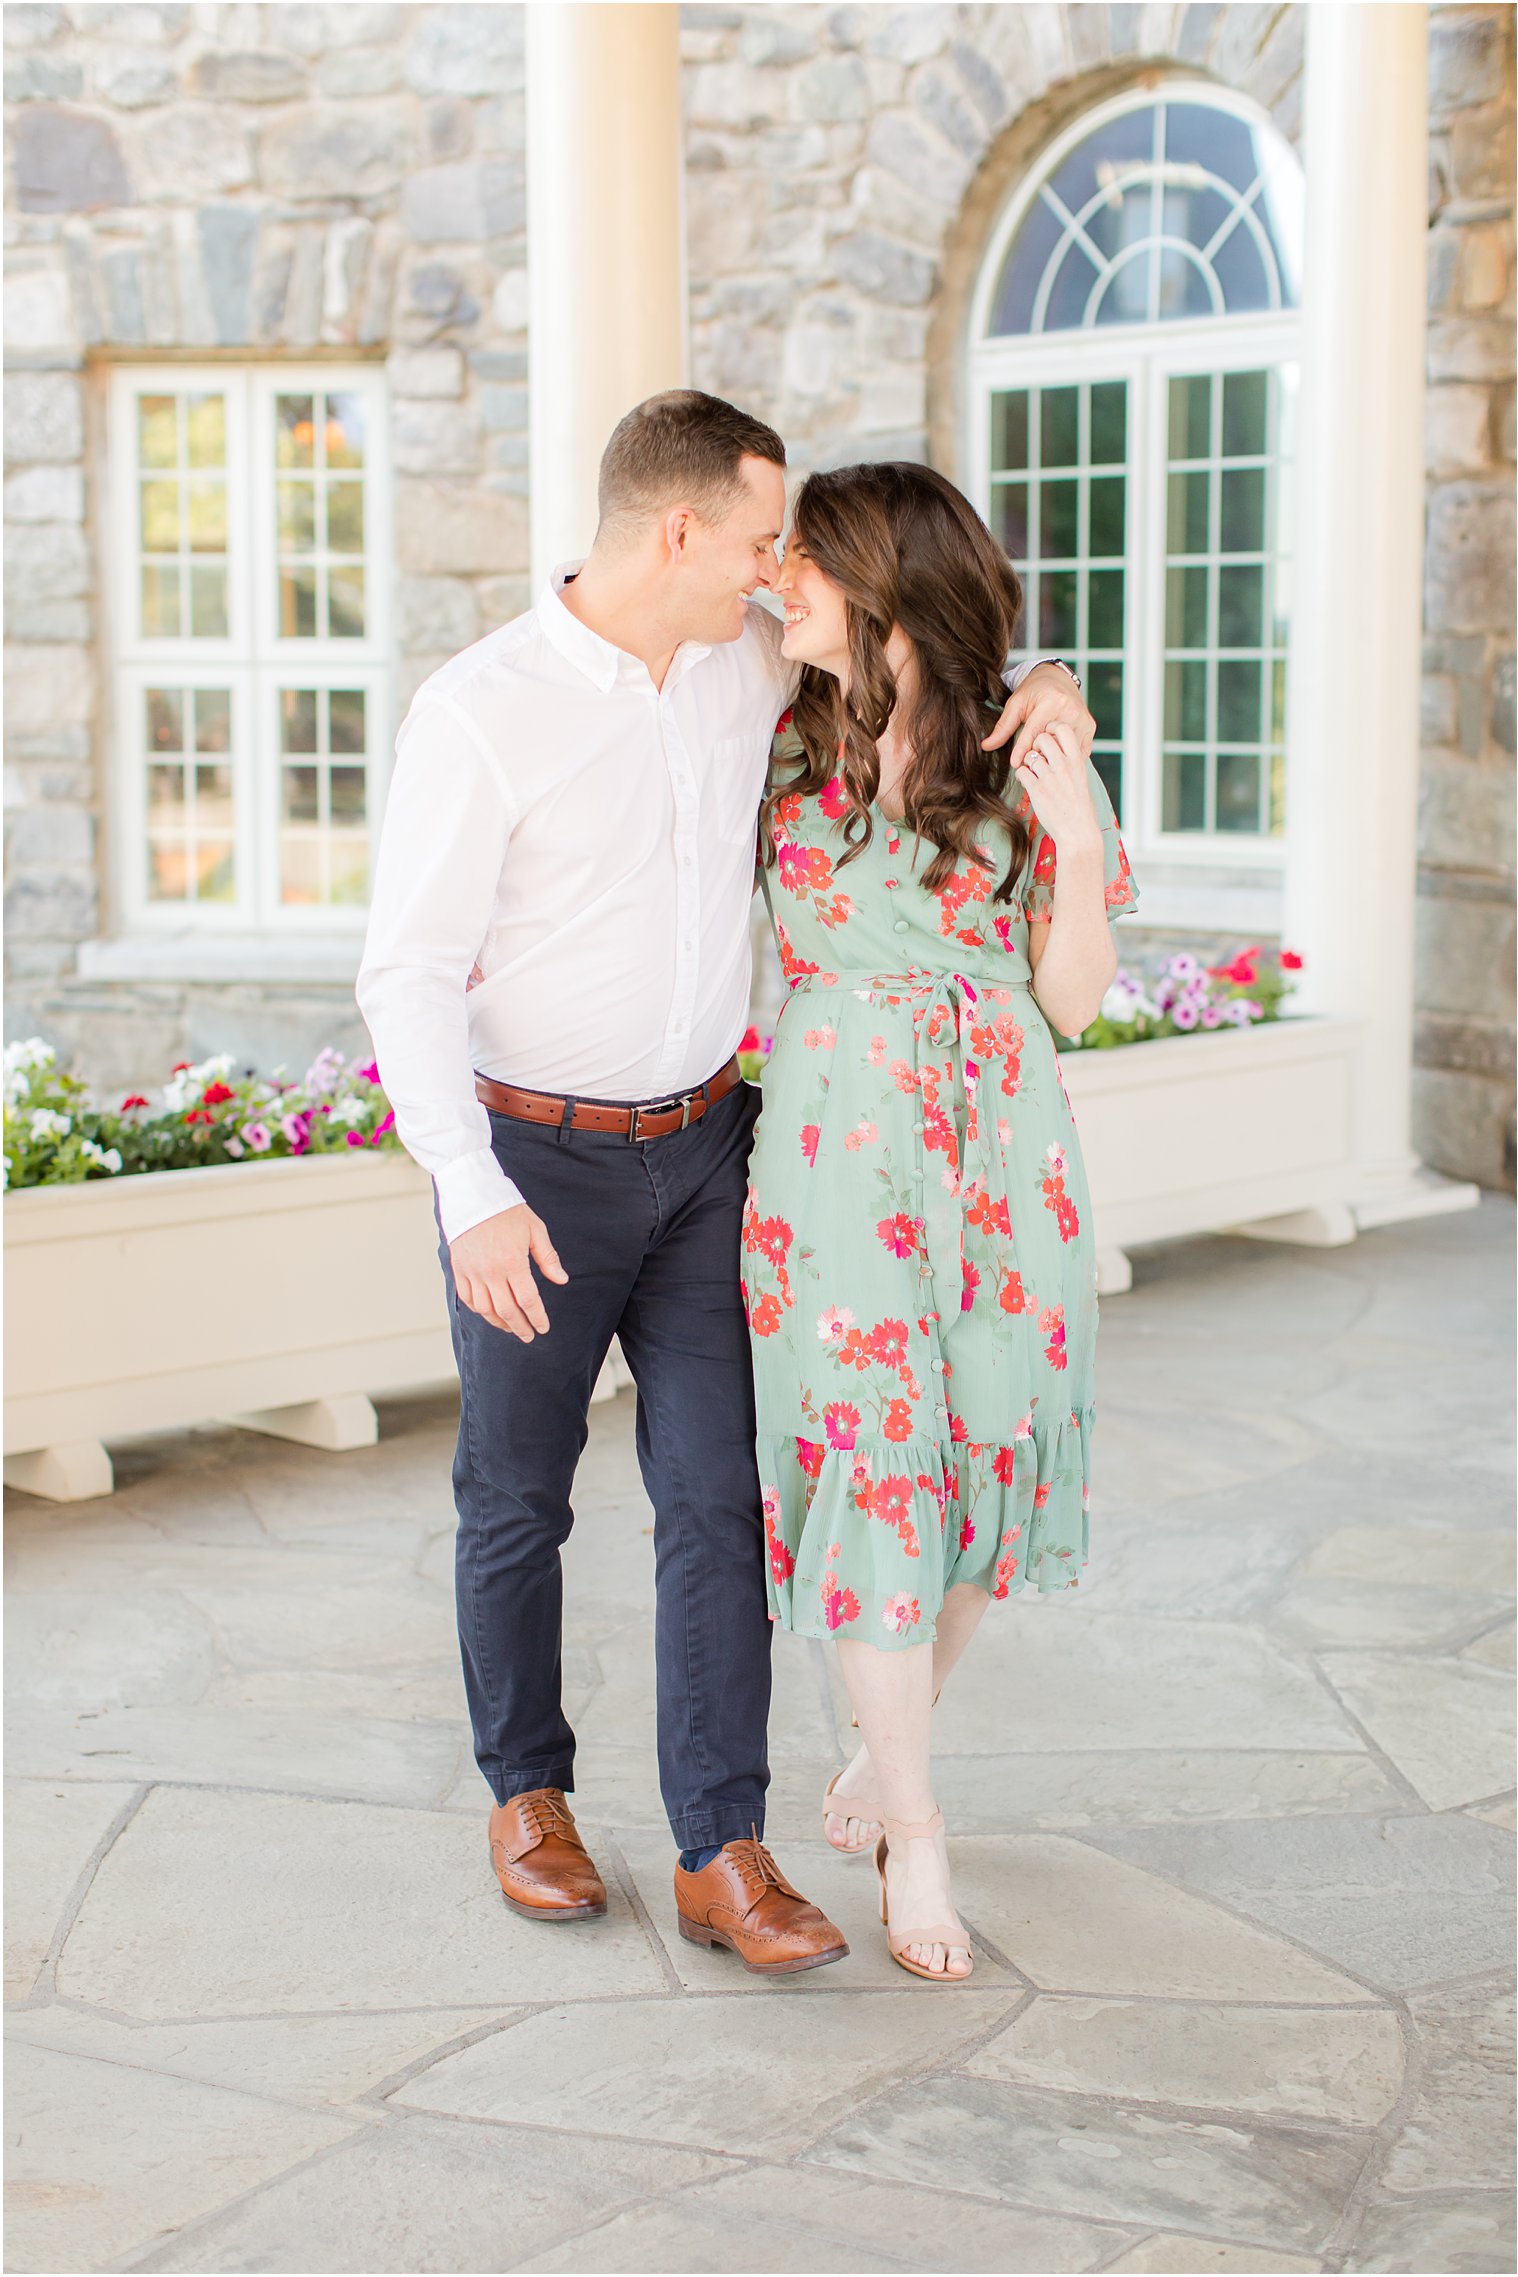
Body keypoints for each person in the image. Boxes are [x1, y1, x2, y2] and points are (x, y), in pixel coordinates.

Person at [357, 391, 1095, 1974]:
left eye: (796, 554)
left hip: (709, 1152)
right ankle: (530, 1793)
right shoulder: (479, 708)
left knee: (718, 1502)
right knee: (517, 1496)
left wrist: (1050, 694)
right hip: (533, 1161)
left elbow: (929, 664)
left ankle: (721, 1841)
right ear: (682, 531)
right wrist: (469, 1186)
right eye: (766, 538)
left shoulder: (752, 670)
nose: (781, 572)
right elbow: (405, 969)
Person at [744, 460, 1136, 1982]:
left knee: (990, 1453)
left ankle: (884, 1761)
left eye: (810, 562)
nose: (784, 583)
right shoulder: (778, 737)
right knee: (874, 1458)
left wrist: (1085, 856)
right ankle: (916, 1821)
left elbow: (1072, 998)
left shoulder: (1024, 750)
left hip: (1004, 1150)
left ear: (883, 584)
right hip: (838, 1151)